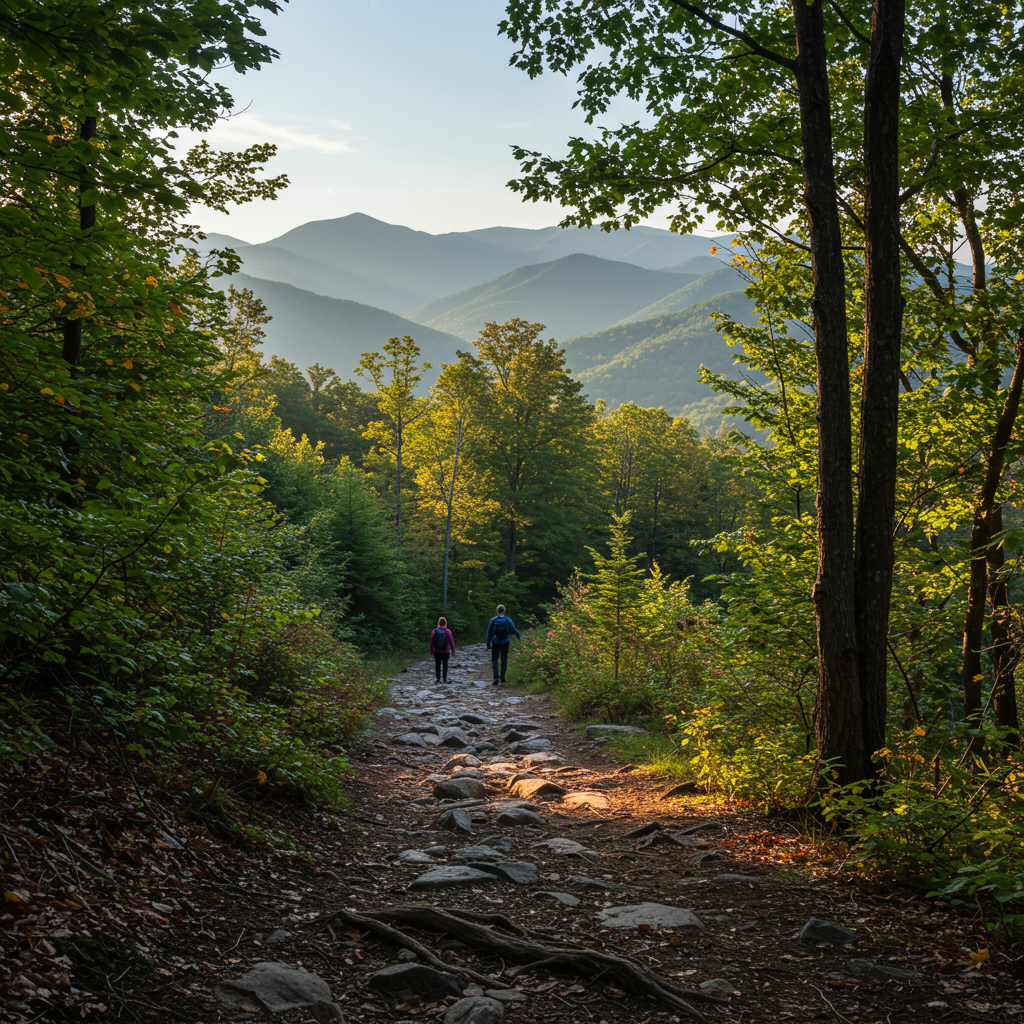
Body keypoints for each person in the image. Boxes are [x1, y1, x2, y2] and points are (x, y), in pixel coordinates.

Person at [485, 604, 521, 685]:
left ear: (497, 611)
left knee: (495, 660)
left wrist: (488, 643)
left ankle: (496, 678)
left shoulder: (493, 620)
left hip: (496, 642)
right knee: (504, 659)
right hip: (505, 642)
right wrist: (519, 637)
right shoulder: (508, 620)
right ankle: (502, 677)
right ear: (504, 611)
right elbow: (514, 630)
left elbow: (489, 633)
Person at [430, 616, 456, 683]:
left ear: (438, 623)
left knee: (437, 665)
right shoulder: (448, 631)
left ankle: (438, 678)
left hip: (437, 651)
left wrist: (431, 650)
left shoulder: (434, 631)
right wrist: (453, 650)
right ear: (445, 623)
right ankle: (444, 679)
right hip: (445, 651)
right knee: (445, 665)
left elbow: (432, 642)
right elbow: (451, 641)